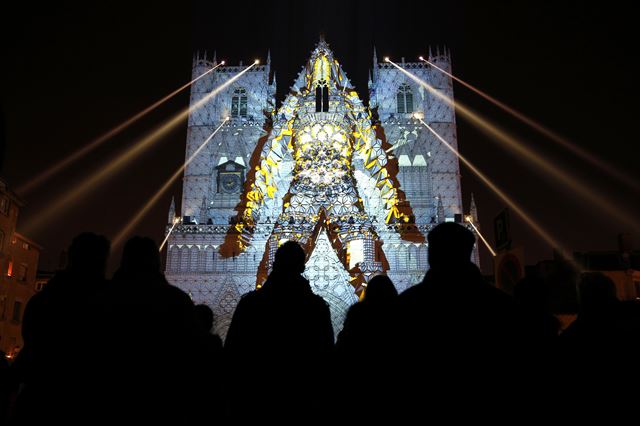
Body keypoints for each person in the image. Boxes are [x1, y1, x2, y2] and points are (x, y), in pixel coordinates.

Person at [225, 241, 334, 423]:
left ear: (275, 263)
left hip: (255, 404)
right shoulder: (316, 308)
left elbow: (232, 355)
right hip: (304, 404)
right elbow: (326, 359)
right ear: (302, 266)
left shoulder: (250, 305)